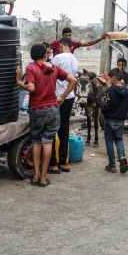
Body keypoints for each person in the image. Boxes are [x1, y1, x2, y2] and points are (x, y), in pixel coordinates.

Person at [16, 44, 77, 187]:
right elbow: (74, 80)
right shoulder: (54, 68)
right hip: (53, 109)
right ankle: (44, 178)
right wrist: (62, 97)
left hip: (37, 110)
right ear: (45, 55)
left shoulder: (31, 68)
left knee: (36, 142)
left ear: (32, 57)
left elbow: (31, 87)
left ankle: (36, 175)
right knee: (48, 142)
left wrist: (19, 81)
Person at [48, 37, 80, 174]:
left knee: (52, 129)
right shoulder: (75, 60)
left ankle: (53, 164)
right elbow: (75, 80)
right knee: (64, 128)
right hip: (70, 97)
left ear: (61, 45)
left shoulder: (58, 58)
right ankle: (63, 162)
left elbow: (51, 77)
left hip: (58, 97)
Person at [101, 68, 128, 173]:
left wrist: (105, 113)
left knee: (109, 141)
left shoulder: (109, 91)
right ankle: (122, 157)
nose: (109, 80)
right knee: (119, 139)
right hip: (120, 120)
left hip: (109, 119)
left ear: (114, 78)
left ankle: (112, 165)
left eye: (110, 78)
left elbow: (104, 105)